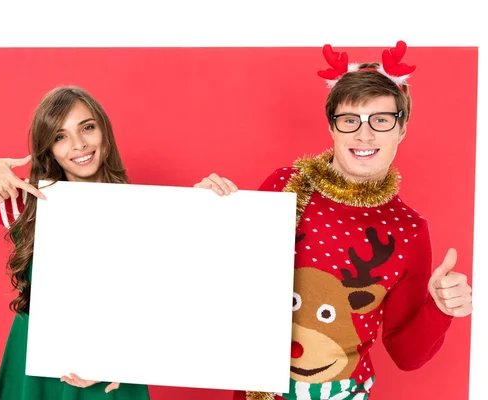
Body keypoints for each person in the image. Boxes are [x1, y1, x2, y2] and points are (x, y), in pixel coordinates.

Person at [0, 86, 222, 400]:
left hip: (112, 373)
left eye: (87, 128)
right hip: (35, 371)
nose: (79, 145)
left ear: (104, 132)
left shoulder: (145, 210)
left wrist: (214, 205)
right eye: (60, 136)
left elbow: (180, 300)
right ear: (48, 149)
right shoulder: (24, 200)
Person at [195, 41, 473, 400]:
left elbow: (406, 355)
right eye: (350, 120)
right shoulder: (285, 186)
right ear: (333, 127)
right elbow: (225, 276)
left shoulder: (409, 230)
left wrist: (439, 309)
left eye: (382, 120)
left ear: (401, 129)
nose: (364, 133)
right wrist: (203, 215)